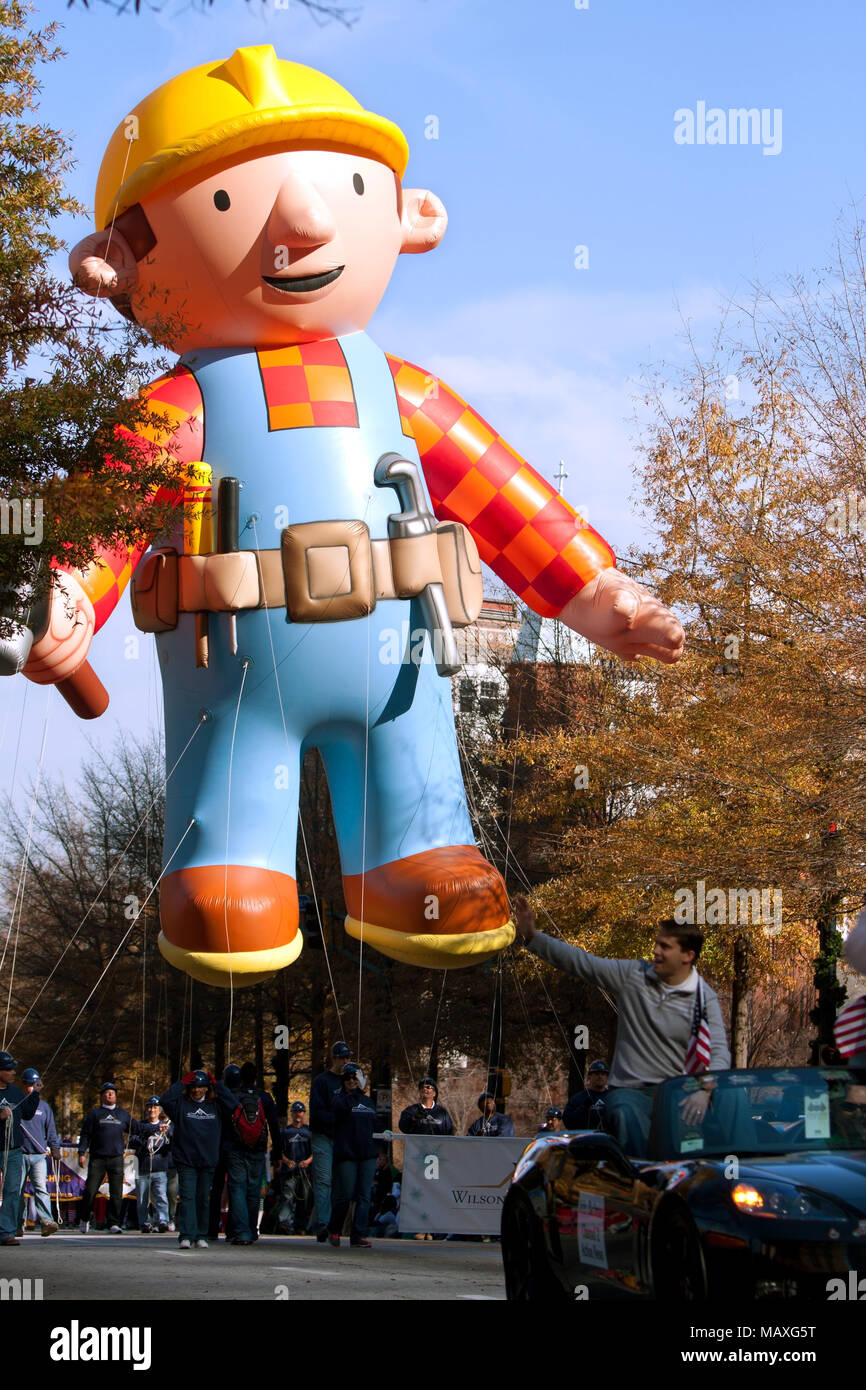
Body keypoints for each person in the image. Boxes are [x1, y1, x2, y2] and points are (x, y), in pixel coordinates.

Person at [40, 46, 684, 994]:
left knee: (416, 770)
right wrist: (63, 594)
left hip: (401, 663)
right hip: (235, 672)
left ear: (406, 216)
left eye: (341, 184)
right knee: (231, 817)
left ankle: (420, 854)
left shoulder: (404, 393)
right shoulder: (176, 409)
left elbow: (505, 497)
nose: (302, 221)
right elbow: (109, 511)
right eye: (227, 205)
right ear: (118, 262)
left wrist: (594, 589)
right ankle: (227, 868)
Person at [515, 898, 730, 1157]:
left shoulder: (703, 997)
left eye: (665, 946)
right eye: (656, 944)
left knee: (734, 1101)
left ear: (687, 956)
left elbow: (718, 1052)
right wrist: (532, 936)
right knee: (624, 1113)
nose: (656, 952)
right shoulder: (633, 976)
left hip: (675, 1092)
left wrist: (705, 1090)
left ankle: (749, 1174)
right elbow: (582, 962)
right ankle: (644, 1177)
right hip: (631, 1091)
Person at [159, 1069, 237, 1250]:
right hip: (186, 1160)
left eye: (201, 1087)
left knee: (203, 1199)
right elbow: (165, 1100)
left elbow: (233, 1105)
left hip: (208, 1160)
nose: (197, 1091)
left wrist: (217, 1084)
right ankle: (186, 1235)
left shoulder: (216, 1106)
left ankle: (201, 1235)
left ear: (207, 1088)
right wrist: (181, 1083)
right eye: (193, 1087)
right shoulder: (181, 1105)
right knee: (187, 1198)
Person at [224, 1061, 282, 1246]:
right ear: (256, 1077)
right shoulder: (264, 1097)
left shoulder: (234, 1096)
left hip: (236, 1148)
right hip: (258, 1149)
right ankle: (251, 1230)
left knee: (237, 1188)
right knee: (253, 1190)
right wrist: (277, 1154)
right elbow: (274, 1125)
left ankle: (241, 1232)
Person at [327, 1064, 380, 1249]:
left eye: (354, 1078)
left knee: (365, 1196)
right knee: (346, 1194)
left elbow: (377, 1125)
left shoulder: (369, 1103)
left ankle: (358, 1234)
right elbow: (339, 1110)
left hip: (367, 1155)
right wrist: (354, 1093)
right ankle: (334, 1229)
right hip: (347, 1154)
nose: (351, 1082)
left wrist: (381, 1147)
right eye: (348, 1079)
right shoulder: (339, 1099)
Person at [78, 1081, 139, 1234]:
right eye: (106, 1092)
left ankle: (113, 1222)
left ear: (116, 1096)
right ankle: (84, 1218)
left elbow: (138, 1128)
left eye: (112, 1092)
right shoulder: (95, 1114)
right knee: (90, 1190)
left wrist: (155, 1128)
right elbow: (85, 1134)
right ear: (102, 1096)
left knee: (117, 1192)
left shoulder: (123, 1114)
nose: (110, 1094)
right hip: (97, 1158)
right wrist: (81, 1153)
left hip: (116, 1158)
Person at [309, 1041, 352, 1242]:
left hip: (343, 1137)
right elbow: (317, 1113)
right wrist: (338, 1117)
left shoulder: (350, 1081)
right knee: (324, 1180)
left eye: (348, 1058)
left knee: (341, 1183)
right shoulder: (322, 1081)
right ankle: (324, 1223)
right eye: (342, 1057)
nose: (345, 1061)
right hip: (323, 1136)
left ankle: (335, 1224)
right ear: (334, 1058)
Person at [0, 1051, 41, 1246]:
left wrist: (35, 1094)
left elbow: (28, 1114)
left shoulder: (16, 1092)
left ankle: (6, 1232)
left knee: (12, 1191)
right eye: (9, 1069)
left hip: (13, 1150)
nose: (13, 1073)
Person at [16, 1067, 61, 1238]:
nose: (30, 1088)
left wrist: (55, 1147)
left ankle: (46, 1222)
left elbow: (51, 1130)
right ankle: (17, 1224)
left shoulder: (44, 1107)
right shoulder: (18, 1103)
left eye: (33, 1085)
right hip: (19, 1154)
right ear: (23, 1084)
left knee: (41, 1188)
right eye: (28, 1084)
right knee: (18, 1191)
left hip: (38, 1155)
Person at [208, 1063, 241, 1240]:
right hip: (232, 1148)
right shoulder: (237, 1098)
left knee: (217, 1189)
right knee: (233, 1189)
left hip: (222, 1147)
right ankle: (231, 1229)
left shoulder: (221, 1099)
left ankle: (213, 1228)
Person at [130, 1097, 172, 1233]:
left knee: (161, 1196)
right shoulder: (141, 1126)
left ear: (159, 1110)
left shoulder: (167, 1126)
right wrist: (143, 1138)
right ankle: (145, 1222)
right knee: (142, 1198)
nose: (152, 1110)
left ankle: (163, 1221)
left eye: (155, 1107)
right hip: (143, 1167)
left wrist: (168, 1133)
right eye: (150, 1107)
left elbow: (171, 1143)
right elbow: (132, 1141)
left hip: (159, 1167)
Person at [279, 1101, 313, 1234]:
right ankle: (284, 1224)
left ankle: (301, 1226)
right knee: (287, 1197)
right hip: (290, 1172)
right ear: (291, 1114)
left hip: (305, 1171)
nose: (298, 1114)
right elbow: (279, 1151)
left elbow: (314, 1152)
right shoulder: (285, 1132)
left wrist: (308, 1161)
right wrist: (287, 1161)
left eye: (300, 1112)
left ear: (304, 1114)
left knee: (304, 1200)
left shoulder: (308, 1132)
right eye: (295, 1112)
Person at [563, 1061, 610, 1130]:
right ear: (589, 1076)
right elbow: (568, 1122)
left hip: (608, 1138)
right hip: (584, 1138)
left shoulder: (613, 1098)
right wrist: (583, 1108)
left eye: (603, 1074)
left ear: (607, 1077)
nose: (600, 1077)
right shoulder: (578, 1099)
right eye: (596, 1074)